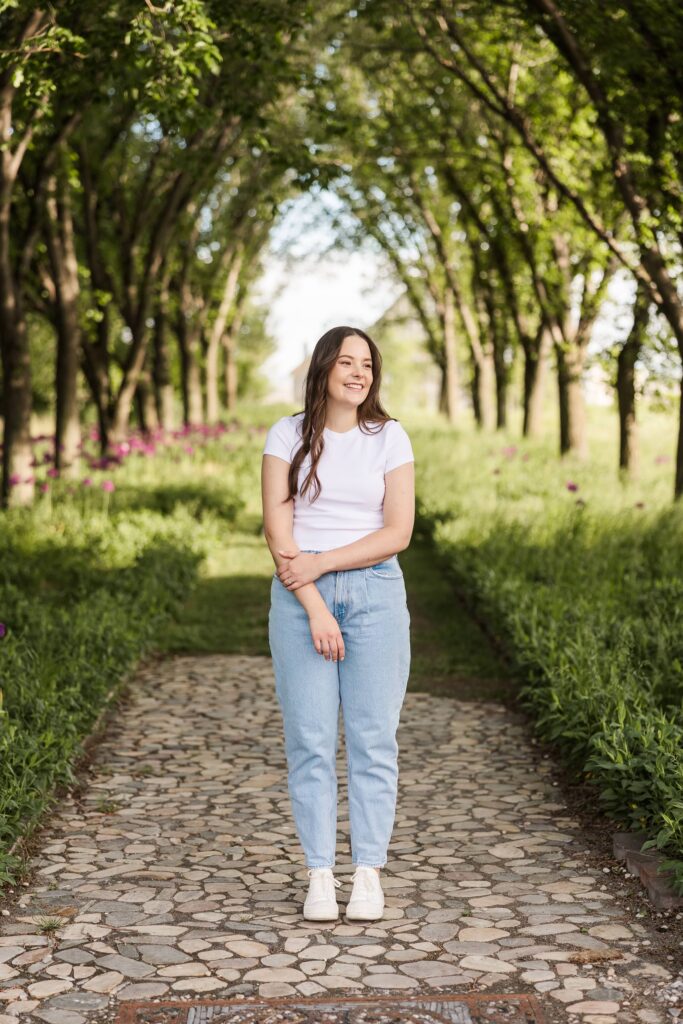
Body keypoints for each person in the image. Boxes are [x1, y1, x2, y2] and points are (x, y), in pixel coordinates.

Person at [261, 325, 415, 922]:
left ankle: (368, 873)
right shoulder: (287, 434)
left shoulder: (390, 438)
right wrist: (317, 603)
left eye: (368, 365)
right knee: (311, 742)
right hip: (301, 603)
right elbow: (279, 531)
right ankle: (320, 874)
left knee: (375, 742)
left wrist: (323, 564)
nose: (359, 373)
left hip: (377, 595)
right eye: (347, 362)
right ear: (323, 367)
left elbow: (396, 533)